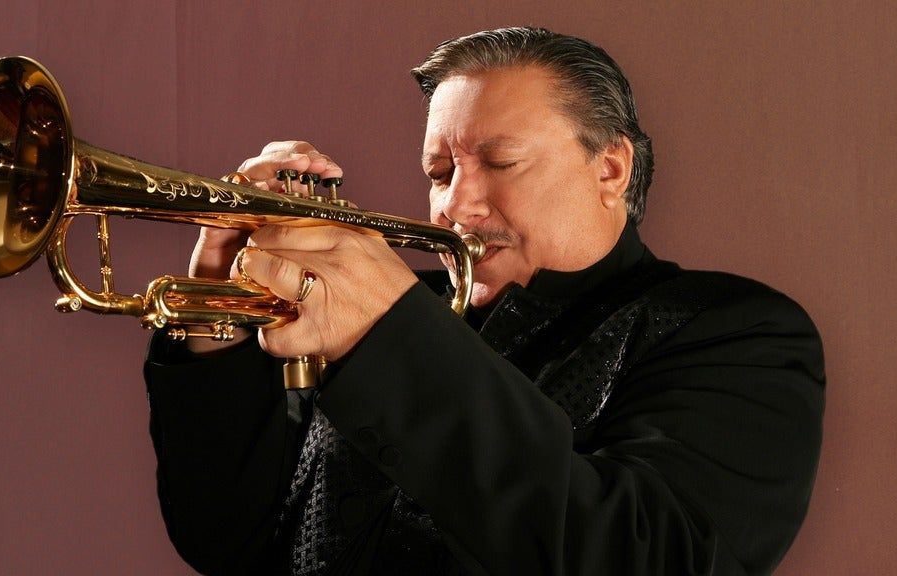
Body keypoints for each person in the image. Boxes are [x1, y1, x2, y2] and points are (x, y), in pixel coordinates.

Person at [144, 27, 824, 575]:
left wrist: (391, 332)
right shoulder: (380, 310)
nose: (455, 206)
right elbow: (227, 542)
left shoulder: (736, 332)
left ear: (610, 168)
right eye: (439, 172)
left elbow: (636, 557)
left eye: (499, 163)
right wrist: (217, 314)